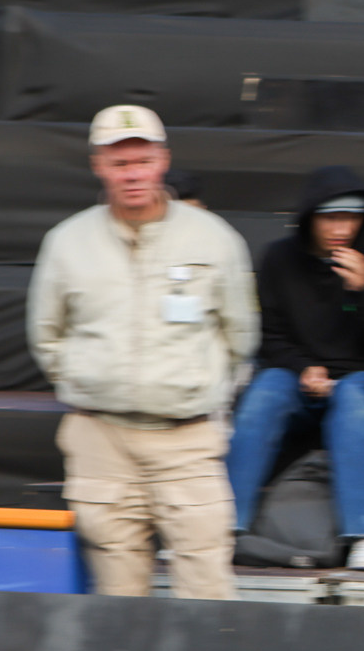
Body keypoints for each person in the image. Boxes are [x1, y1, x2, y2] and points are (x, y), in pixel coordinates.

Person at [26, 105, 256, 601]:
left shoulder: (213, 239)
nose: (132, 174)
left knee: (208, 589)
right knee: (118, 596)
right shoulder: (66, 242)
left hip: (188, 440)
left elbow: (241, 336)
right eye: (119, 163)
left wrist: (201, 391)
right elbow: (47, 336)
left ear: (163, 161)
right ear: (98, 166)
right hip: (101, 441)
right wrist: (90, 382)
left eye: (143, 161)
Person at [227, 166, 364, 575]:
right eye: (330, 218)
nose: (342, 229)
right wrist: (304, 368)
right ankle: (222, 525)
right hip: (298, 374)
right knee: (264, 393)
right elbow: (270, 336)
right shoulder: (280, 258)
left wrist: (363, 292)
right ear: (310, 217)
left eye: (351, 218)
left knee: (353, 396)